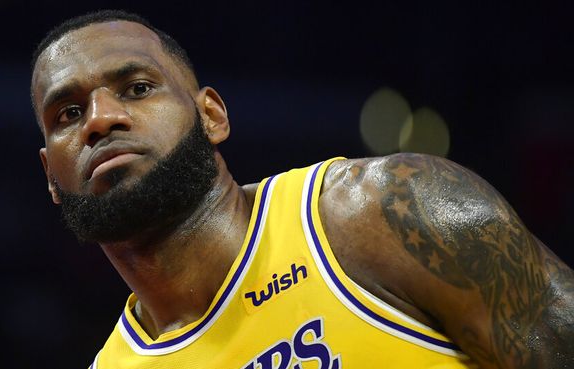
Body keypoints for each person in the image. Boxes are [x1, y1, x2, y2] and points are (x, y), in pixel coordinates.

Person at [30, 9, 574, 369]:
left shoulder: (380, 213)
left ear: (211, 116)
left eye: (138, 88)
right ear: (51, 177)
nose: (100, 120)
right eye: (68, 114)